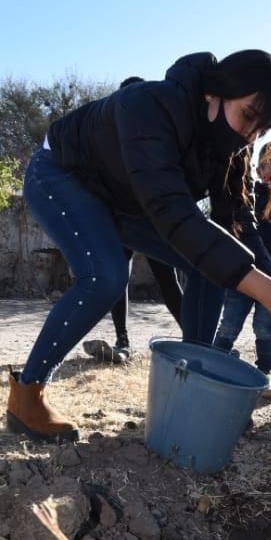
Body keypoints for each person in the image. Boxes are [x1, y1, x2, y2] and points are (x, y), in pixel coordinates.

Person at [7, 50, 271, 441]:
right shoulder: (149, 106)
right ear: (214, 94)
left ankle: (193, 390)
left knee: (209, 266)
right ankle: (28, 394)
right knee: (106, 275)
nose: (249, 136)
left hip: (121, 200)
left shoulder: (231, 149)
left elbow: (239, 225)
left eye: (260, 130)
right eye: (248, 116)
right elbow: (173, 215)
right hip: (60, 174)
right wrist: (268, 292)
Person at [83, 77, 184, 364]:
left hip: (151, 219)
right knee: (119, 278)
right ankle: (122, 341)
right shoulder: (109, 135)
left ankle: (196, 340)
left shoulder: (156, 133)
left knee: (168, 280)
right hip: (120, 218)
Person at [213, 141, 271, 389]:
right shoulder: (247, 197)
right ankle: (215, 362)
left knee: (264, 327)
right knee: (230, 323)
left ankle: (264, 371)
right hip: (243, 277)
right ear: (258, 170)